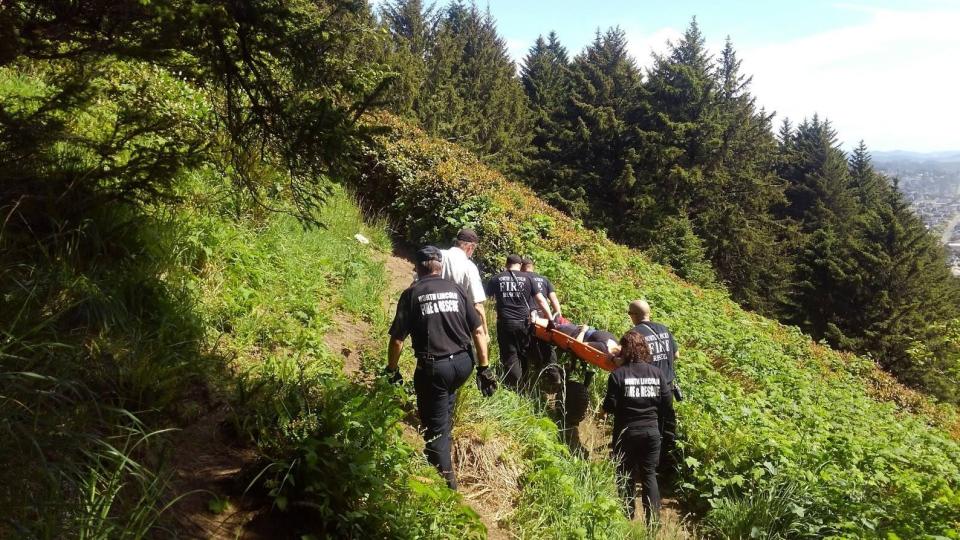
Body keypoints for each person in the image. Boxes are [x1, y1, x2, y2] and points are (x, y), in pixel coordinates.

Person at [385, 246, 497, 490]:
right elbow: (478, 329)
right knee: (444, 405)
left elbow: (397, 340)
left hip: (435, 368)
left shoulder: (412, 294)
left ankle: (446, 486)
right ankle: (442, 436)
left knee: (434, 429)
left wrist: (392, 370)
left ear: (418, 267)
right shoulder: (456, 289)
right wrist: (484, 368)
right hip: (464, 364)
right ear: (439, 266)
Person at [602, 331, 674, 521]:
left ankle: (627, 518)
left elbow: (609, 405)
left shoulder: (618, 375)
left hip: (626, 433)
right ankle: (653, 523)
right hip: (651, 432)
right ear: (644, 349)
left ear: (624, 350)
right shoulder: (657, 373)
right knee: (649, 475)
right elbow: (667, 404)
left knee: (625, 474)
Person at [626, 299, 681, 470]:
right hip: (668, 387)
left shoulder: (634, 334)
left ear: (634, 315)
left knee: (646, 427)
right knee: (665, 427)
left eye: (630, 313)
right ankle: (662, 466)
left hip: (649, 388)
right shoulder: (664, 329)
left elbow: (628, 361)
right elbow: (677, 355)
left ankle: (642, 465)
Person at [484, 254, 553, 390]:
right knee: (523, 352)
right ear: (520, 265)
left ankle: (514, 387)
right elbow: (541, 300)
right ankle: (525, 383)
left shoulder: (497, 278)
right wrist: (550, 319)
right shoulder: (528, 278)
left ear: (506, 264)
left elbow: (485, 298)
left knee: (510, 355)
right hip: (524, 323)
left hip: (505, 323)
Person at [440, 228, 489, 341]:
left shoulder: (438, 256)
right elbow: (478, 306)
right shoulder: (469, 267)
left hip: (432, 320)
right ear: (470, 247)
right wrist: (485, 333)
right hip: (456, 323)